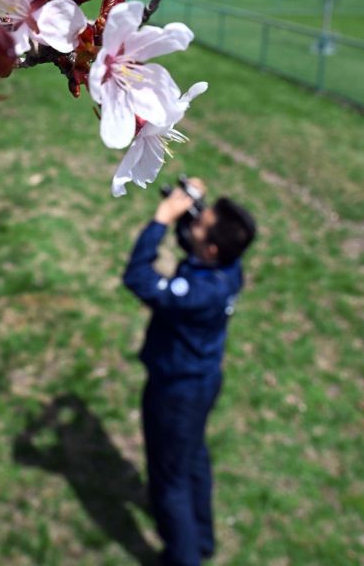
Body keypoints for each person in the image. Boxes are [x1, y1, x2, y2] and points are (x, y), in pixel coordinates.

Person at [122, 178, 257, 566]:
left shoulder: (197, 292)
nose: (192, 223)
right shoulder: (228, 266)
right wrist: (195, 201)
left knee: (169, 483)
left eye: (200, 222)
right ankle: (203, 538)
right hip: (203, 381)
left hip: (175, 390)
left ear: (211, 248)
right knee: (193, 458)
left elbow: (138, 278)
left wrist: (159, 221)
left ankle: (183, 556)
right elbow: (196, 240)